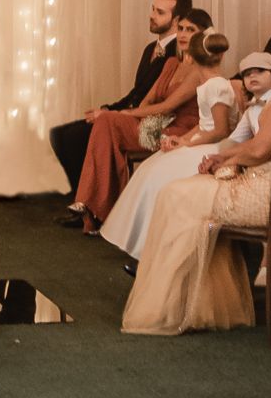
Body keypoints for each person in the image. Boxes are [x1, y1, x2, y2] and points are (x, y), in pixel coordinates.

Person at [122, 1, 271, 335]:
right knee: (196, 191)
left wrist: (225, 158)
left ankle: (172, 308)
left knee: (178, 194)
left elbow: (259, 149)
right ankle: (208, 305)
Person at [51, 0, 193, 214]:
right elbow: (138, 94)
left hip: (157, 122)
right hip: (136, 113)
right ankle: (84, 197)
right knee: (59, 134)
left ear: (176, 20)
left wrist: (116, 114)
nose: (152, 15)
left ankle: (92, 202)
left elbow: (163, 104)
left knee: (79, 134)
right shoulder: (152, 50)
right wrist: (110, 108)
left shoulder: (178, 55)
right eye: (152, 9)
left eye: (160, 12)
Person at [101, 30, 236, 260]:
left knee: (160, 177)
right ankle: (143, 243)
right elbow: (204, 123)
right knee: (150, 171)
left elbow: (220, 130)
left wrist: (189, 143)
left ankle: (153, 247)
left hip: (213, 146)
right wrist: (183, 140)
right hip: (200, 140)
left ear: (191, 57)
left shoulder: (217, 86)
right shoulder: (208, 86)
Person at [74, 7, 210, 232]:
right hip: (155, 124)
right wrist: (135, 118)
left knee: (109, 119)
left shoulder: (199, 70)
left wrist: (122, 114)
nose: (184, 34)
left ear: (204, 35)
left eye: (191, 30)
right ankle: (93, 206)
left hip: (181, 130)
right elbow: (148, 101)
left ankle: (96, 207)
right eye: (182, 29)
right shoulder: (171, 64)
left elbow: (168, 105)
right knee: (106, 123)